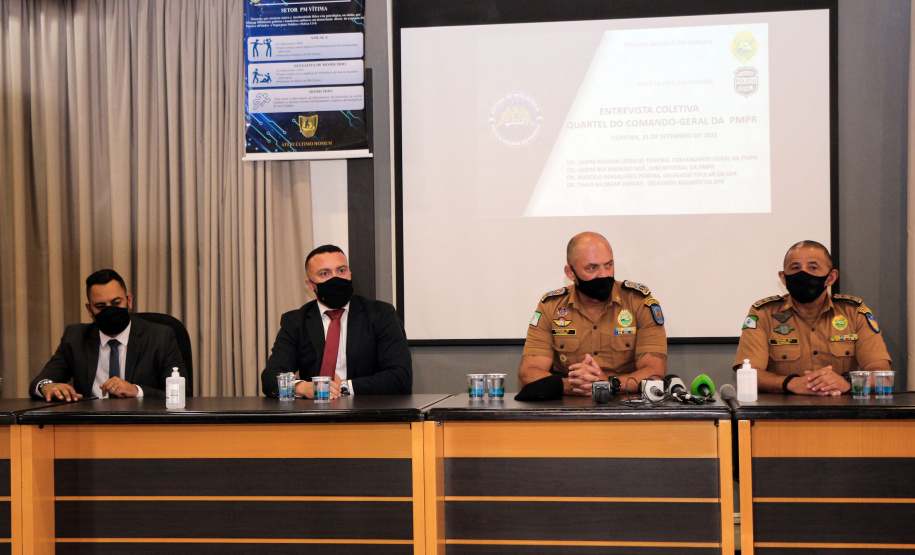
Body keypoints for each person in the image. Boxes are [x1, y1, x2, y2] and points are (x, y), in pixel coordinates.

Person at [734, 240, 891, 395]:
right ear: (783, 278)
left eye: (812, 267)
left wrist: (846, 382)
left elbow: (882, 376)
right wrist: (792, 383)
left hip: (845, 414)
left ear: (831, 278)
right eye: (795, 268)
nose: (803, 273)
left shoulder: (854, 312)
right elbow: (748, 375)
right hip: (783, 415)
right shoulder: (763, 313)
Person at [519, 232, 667, 395]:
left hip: (625, 405)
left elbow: (655, 372)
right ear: (570, 273)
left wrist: (608, 385)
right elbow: (528, 374)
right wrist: (571, 385)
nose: (603, 274)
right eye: (592, 268)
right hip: (568, 408)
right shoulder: (551, 306)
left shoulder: (638, 302)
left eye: (608, 265)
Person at [261, 245, 412, 399]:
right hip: (314, 416)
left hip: (368, 413)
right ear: (311, 284)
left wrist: (343, 387)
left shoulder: (380, 314)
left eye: (341, 271)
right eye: (325, 273)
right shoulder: (295, 322)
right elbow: (270, 379)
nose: (336, 278)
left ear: (350, 273)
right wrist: (302, 387)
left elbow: (400, 377)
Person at [29, 269, 186, 402]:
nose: (109, 310)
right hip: (89, 429)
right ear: (89, 310)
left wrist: (137, 391)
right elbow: (41, 381)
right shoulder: (75, 338)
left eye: (116, 303)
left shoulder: (160, 337)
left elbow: (181, 396)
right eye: (100, 306)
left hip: (142, 428)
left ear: (129, 301)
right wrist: (47, 386)